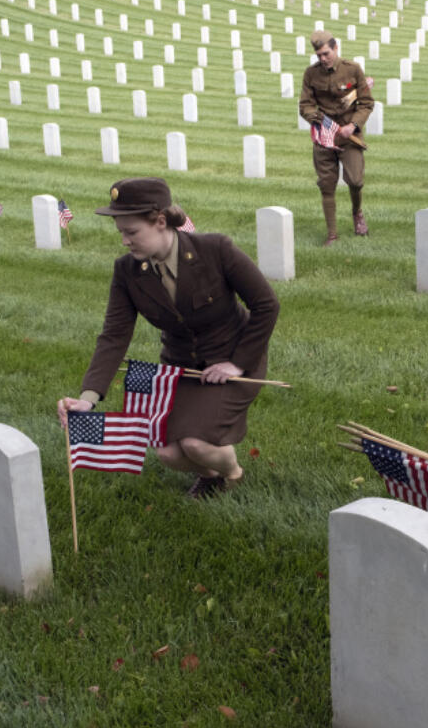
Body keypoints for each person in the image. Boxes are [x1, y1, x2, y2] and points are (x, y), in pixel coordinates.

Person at [57, 178, 280, 499]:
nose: (124, 241)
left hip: (235, 361)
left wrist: (237, 363)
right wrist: (88, 398)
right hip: (180, 370)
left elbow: (267, 305)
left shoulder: (215, 250)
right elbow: (114, 335)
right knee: (167, 454)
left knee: (194, 443)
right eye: (120, 232)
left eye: (131, 232)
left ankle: (232, 474)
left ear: (160, 221)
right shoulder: (127, 271)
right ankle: (210, 474)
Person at [299, 29, 374, 246]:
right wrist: (318, 119)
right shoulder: (311, 74)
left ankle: (356, 211)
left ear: (335, 48)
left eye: (326, 53)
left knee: (355, 180)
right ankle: (332, 234)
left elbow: (367, 103)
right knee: (327, 184)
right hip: (324, 137)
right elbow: (305, 105)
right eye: (319, 55)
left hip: (349, 137)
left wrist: (354, 125)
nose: (322, 59)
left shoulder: (352, 70)